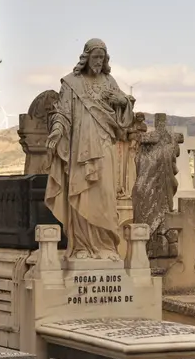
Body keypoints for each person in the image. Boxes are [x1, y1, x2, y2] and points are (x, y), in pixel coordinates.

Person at [45, 39, 135, 260]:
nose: (98, 61)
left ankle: (106, 246)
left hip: (105, 146)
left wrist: (122, 101)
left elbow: (124, 116)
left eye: (101, 58)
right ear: (86, 57)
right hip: (80, 148)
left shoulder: (109, 81)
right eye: (95, 57)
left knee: (105, 193)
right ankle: (82, 247)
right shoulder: (72, 83)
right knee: (82, 193)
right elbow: (63, 113)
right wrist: (57, 131)